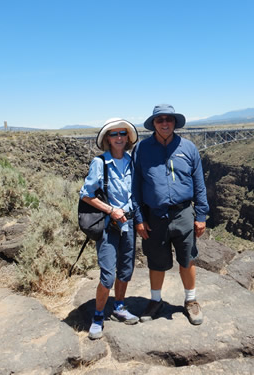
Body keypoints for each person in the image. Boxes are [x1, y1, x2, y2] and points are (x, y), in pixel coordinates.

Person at [132, 104, 209, 325]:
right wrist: (139, 218)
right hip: (154, 215)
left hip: (183, 212)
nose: (165, 123)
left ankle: (191, 301)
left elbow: (199, 184)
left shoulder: (189, 148)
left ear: (175, 122)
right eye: (160, 120)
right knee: (156, 262)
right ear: (153, 124)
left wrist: (201, 215)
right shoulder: (142, 149)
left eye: (169, 119)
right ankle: (155, 301)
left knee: (187, 259)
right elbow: (135, 187)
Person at [79, 118, 139, 339]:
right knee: (107, 275)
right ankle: (97, 316)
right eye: (114, 134)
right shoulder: (100, 163)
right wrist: (111, 209)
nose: (119, 137)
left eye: (123, 133)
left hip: (129, 223)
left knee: (125, 270)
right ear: (107, 139)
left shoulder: (132, 162)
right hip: (109, 225)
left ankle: (119, 306)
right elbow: (86, 194)